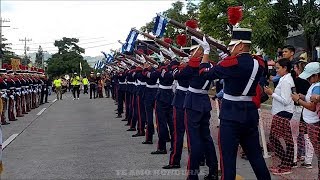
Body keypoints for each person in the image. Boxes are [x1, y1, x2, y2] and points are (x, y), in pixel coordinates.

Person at [200, 28, 271, 180]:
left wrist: (206, 53)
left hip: (231, 115)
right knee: (256, 157)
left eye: (231, 46)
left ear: (239, 45)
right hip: (250, 114)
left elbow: (204, 74)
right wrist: (227, 59)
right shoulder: (259, 63)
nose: (229, 48)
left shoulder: (230, 63)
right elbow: (244, 66)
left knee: (228, 159)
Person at [264, 58, 295, 175]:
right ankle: (286, 161)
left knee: (278, 138)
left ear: (285, 68)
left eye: (278, 68)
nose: (276, 71)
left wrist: (272, 94)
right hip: (279, 112)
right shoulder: (283, 79)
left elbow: (286, 100)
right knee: (278, 138)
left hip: (283, 112)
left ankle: (287, 163)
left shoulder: (287, 81)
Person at [291, 62, 320, 179]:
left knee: (318, 152)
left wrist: (298, 100)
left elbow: (312, 107)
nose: (308, 79)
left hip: (315, 123)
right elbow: (310, 99)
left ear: (316, 75)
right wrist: (302, 96)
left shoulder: (317, 87)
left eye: (310, 77)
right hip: (311, 122)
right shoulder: (314, 85)